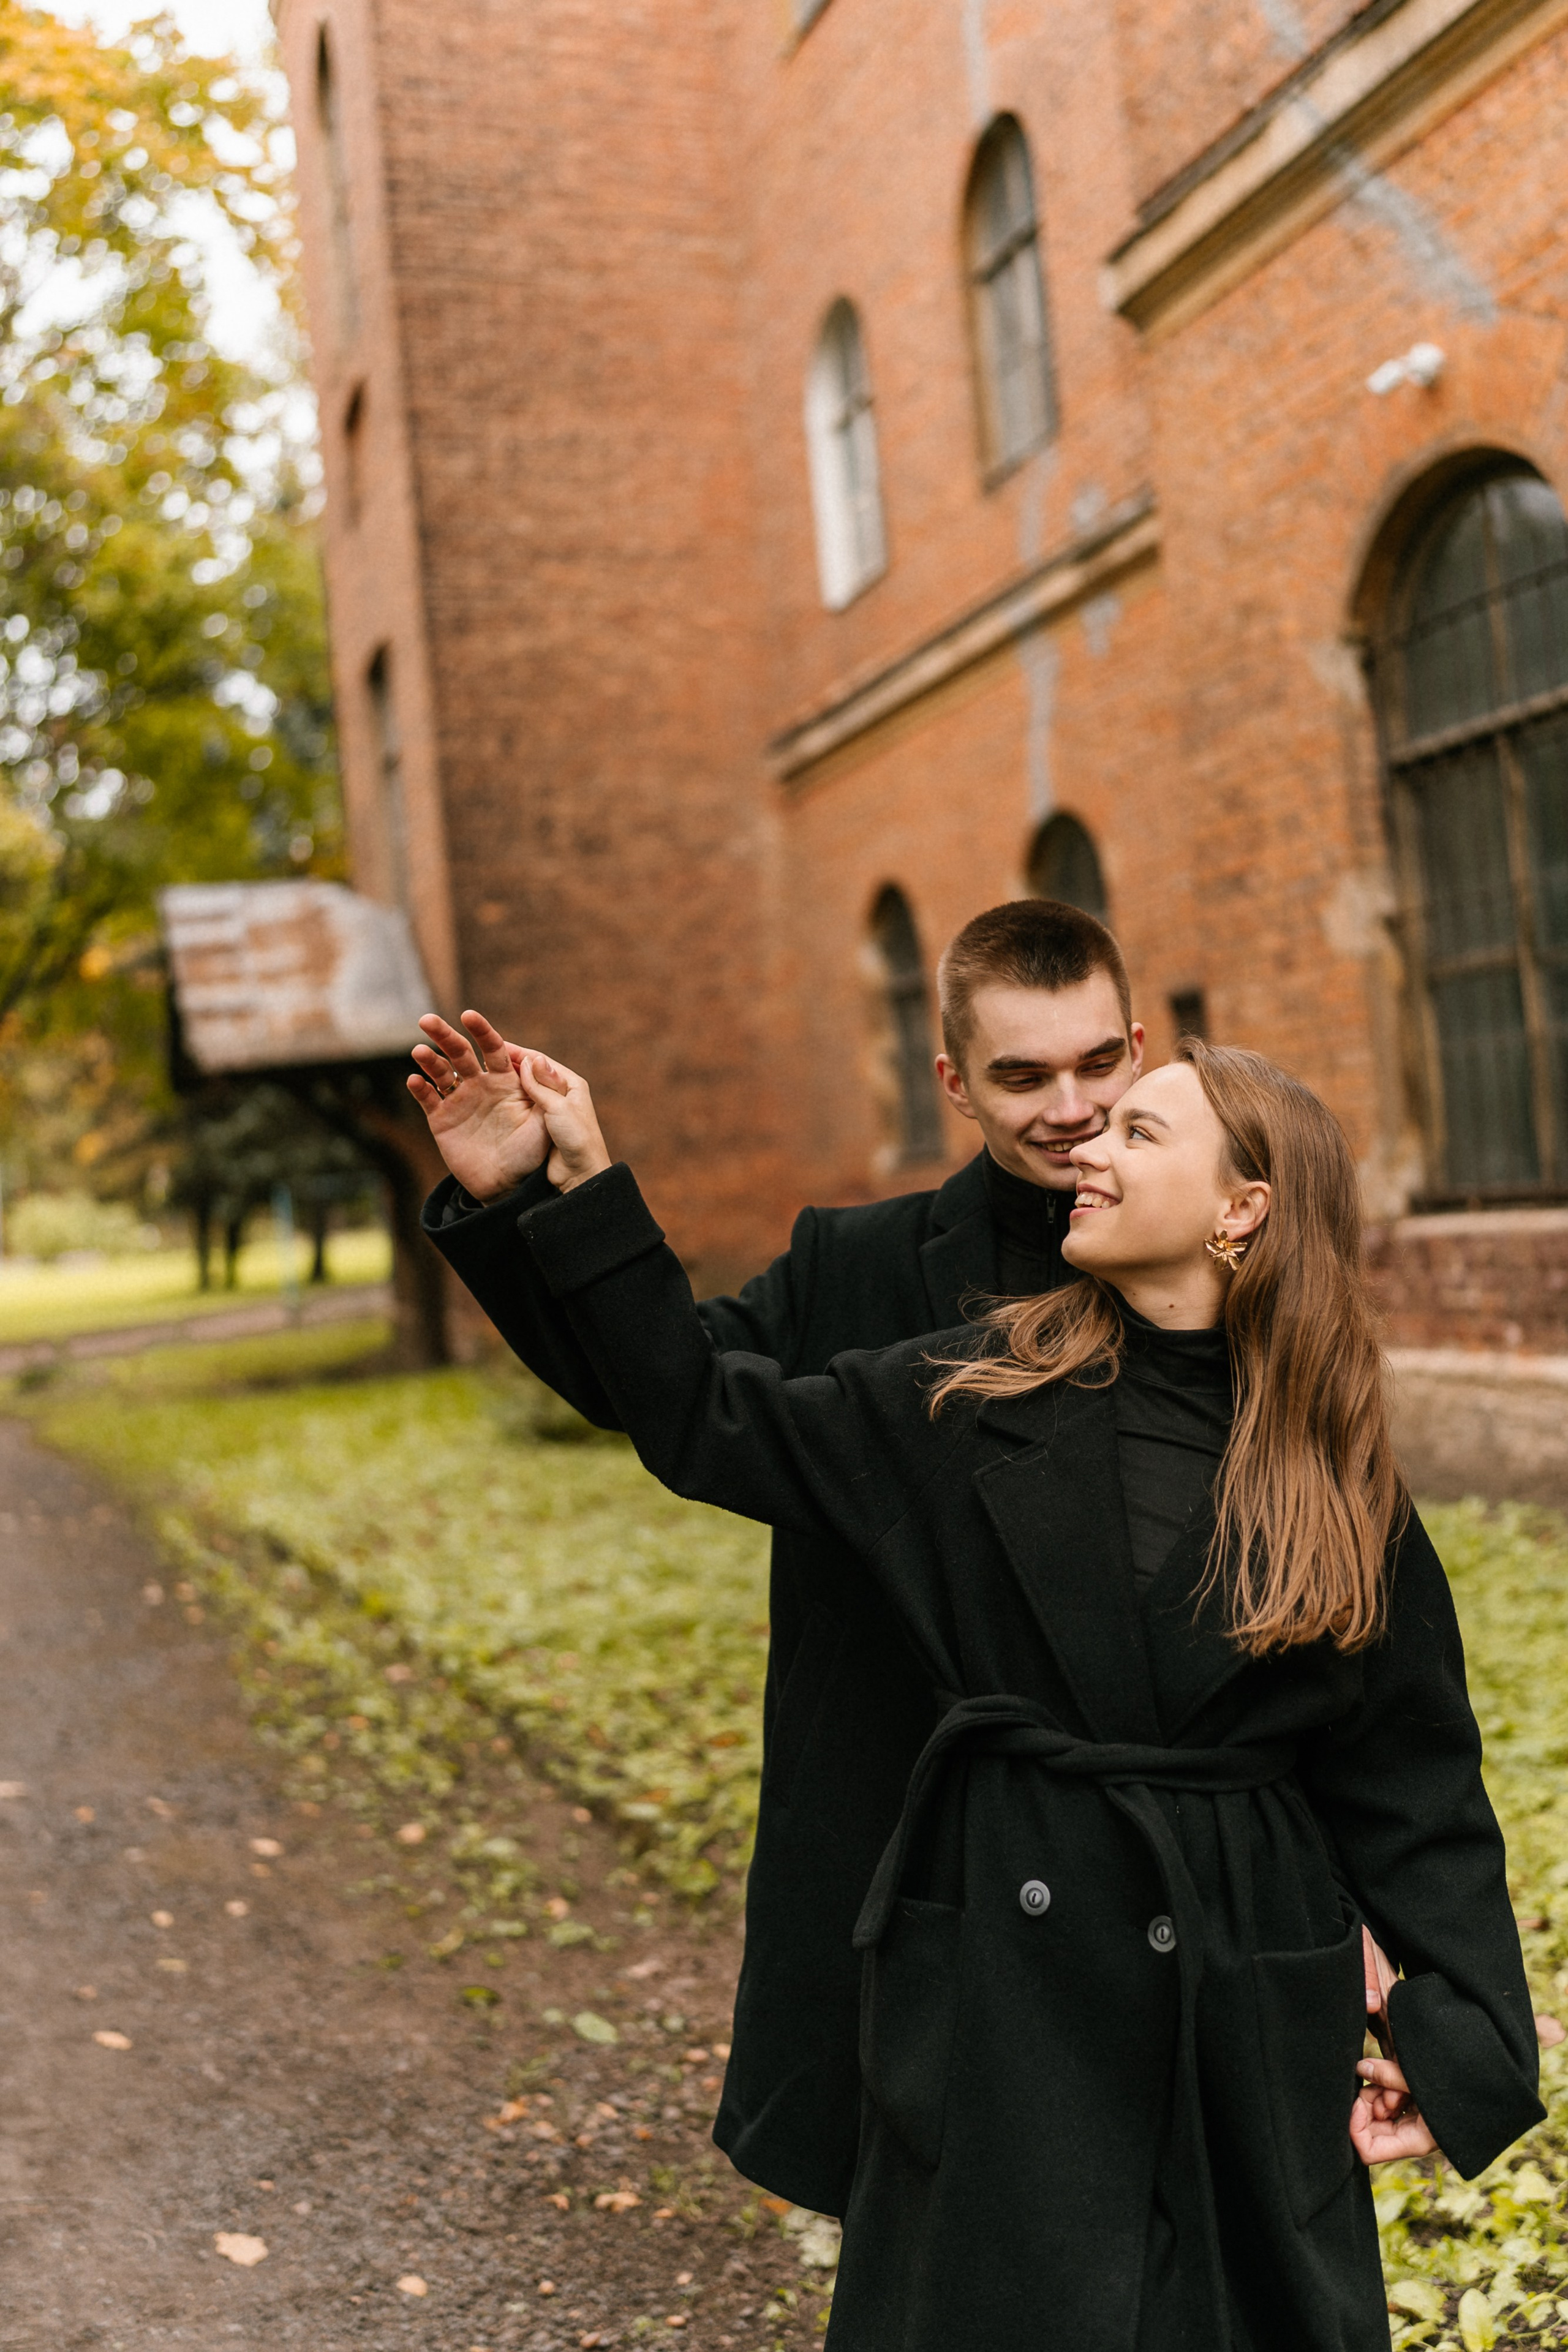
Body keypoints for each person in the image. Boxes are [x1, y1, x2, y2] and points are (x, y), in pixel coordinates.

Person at [475, 1037, 1542, 2352]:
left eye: (1139, 1134)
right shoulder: (969, 1391)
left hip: (1240, 1996)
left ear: (1240, 1211)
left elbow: (1414, 1788)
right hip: (1002, 1974)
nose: (1087, 1145)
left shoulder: (1335, 1485)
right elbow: (700, 1410)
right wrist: (562, 1191)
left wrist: (1457, 2046)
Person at [412, 899, 1152, 2214]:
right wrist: (535, 1199)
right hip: (905, 1835)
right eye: (1021, 1076)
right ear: (952, 1084)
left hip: (1130, 1854)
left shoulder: (1202, 1255)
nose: (1070, 1106)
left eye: (1098, 1063)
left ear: (1137, 1047)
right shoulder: (853, 1263)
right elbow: (667, 1390)